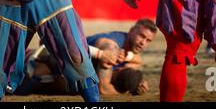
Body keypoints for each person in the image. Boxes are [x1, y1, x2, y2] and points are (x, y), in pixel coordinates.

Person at [14, 19, 157, 97]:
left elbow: (137, 62)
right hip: (40, 62)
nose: (142, 42)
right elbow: (104, 89)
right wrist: (126, 88)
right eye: (141, 36)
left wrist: (135, 81)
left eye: (148, 40)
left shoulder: (128, 53)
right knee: (36, 73)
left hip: (57, 71)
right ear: (131, 30)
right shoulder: (113, 44)